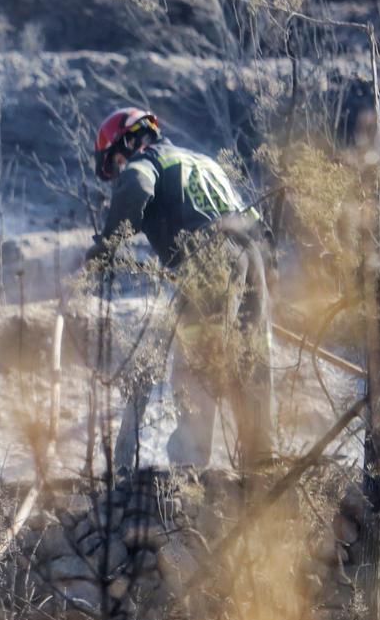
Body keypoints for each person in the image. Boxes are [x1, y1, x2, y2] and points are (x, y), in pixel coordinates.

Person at [88, 107, 274, 469]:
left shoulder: (148, 160)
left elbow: (137, 186)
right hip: (253, 261)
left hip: (208, 260)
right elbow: (258, 224)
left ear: (130, 142)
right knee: (252, 366)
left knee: (195, 367)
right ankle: (262, 469)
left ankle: (190, 472)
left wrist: (107, 244)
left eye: (116, 162)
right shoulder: (206, 163)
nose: (120, 171)